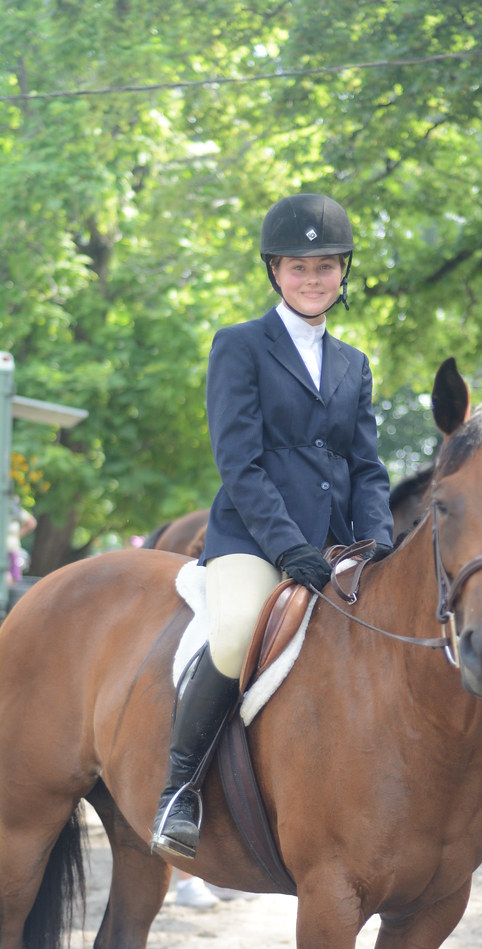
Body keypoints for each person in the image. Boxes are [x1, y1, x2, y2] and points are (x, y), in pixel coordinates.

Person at [151, 193, 394, 860]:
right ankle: (180, 790)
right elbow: (239, 458)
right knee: (234, 635)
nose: (311, 280)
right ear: (274, 273)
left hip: (338, 543)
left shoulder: (353, 364)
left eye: (324, 268)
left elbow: (367, 465)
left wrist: (379, 544)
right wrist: (288, 545)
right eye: (297, 267)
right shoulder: (239, 346)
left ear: (342, 273)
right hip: (255, 539)